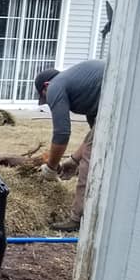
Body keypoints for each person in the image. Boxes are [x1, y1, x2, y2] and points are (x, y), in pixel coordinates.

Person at [35, 60, 105, 232]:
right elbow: (94, 138)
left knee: (89, 162)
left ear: (46, 86)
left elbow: (62, 133)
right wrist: (73, 160)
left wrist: (51, 168)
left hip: (119, 95)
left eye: (45, 97)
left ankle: (77, 218)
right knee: (96, 152)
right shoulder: (86, 91)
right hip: (121, 94)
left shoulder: (55, 86)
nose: (49, 101)